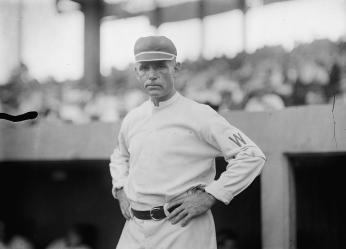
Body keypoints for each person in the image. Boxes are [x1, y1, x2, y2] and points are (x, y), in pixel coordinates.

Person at [109, 36, 266, 249]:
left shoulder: (199, 114)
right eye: (145, 68)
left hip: (181, 226)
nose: (152, 75)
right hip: (135, 227)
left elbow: (251, 155)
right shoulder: (133, 118)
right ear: (137, 72)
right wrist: (120, 190)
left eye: (161, 67)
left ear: (176, 68)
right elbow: (120, 155)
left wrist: (212, 195)